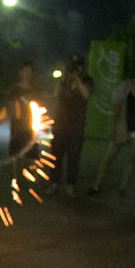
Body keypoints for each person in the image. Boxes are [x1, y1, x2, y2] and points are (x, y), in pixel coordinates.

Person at [88, 59, 135, 197]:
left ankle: (122, 188)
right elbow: (116, 108)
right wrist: (112, 127)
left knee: (131, 159)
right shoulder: (125, 86)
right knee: (109, 158)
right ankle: (96, 185)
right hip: (122, 126)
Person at [0, 61, 43, 187]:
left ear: (33, 74)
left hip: (31, 126)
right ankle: (15, 178)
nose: (27, 74)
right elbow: (8, 106)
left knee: (33, 153)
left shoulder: (36, 90)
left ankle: (33, 179)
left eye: (30, 72)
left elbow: (40, 107)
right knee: (16, 152)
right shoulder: (14, 89)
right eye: (25, 72)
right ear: (20, 73)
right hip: (17, 125)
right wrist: (0, 117)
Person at [49, 53, 94, 198]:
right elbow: (55, 95)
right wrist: (64, 78)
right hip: (60, 126)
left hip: (76, 127)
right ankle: (54, 184)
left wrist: (77, 79)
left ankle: (70, 186)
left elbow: (86, 94)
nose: (76, 69)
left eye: (79, 66)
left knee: (74, 158)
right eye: (73, 66)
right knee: (56, 156)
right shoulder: (64, 82)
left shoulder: (87, 81)